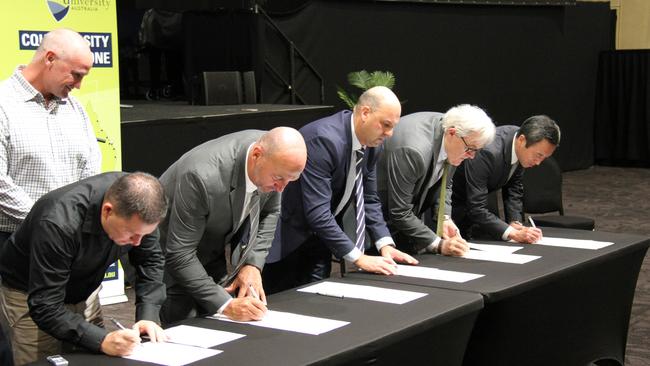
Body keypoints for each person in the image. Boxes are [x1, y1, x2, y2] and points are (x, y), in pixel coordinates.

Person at [0, 172, 168, 365]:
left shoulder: (141, 206)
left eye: (144, 235)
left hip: (85, 289)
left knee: (92, 359)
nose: (137, 242)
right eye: (132, 234)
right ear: (107, 211)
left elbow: (150, 261)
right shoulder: (58, 222)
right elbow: (45, 305)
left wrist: (148, 316)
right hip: (30, 293)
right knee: (42, 360)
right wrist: (101, 339)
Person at [262, 86, 418, 294]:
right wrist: (359, 258)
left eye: (393, 127)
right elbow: (317, 212)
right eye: (386, 125)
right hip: (287, 236)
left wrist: (384, 243)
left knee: (318, 303)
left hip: (321, 238)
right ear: (364, 113)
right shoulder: (324, 140)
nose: (389, 134)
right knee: (280, 305)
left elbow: (369, 198)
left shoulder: (372, 144)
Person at [159, 127, 307, 325]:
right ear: (256, 155)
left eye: (291, 180)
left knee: (222, 326)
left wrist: (253, 264)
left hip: (210, 245)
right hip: (164, 256)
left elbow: (270, 211)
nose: (282, 188)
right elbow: (179, 253)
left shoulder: (274, 159)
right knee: (186, 329)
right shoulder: (201, 175)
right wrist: (225, 305)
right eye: (279, 179)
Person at [0, 28, 101, 244]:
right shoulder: (3, 104)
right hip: (12, 241)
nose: (79, 85)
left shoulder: (76, 110)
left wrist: (71, 225)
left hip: (68, 240)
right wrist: (50, 223)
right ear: (50, 59)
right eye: (76, 75)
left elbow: (91, 174)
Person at [377, 106, 496, 257]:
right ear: (452, 133)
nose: (471, 156)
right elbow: (399, 212)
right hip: (378, 214)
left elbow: (445, 180)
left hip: (403, 213)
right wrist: (439, 245)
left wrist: (444, 218)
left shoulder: (453, 134)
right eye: (470, 149)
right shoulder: (414, 150)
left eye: (476, 150)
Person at [452, 115, 561, 243]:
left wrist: (515, 222)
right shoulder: (488, 152)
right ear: (521, 140)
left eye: (544, 158)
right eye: (538, 155)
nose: (538, 163)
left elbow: (514, 188)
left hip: (474, 209)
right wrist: (512, 233)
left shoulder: (520, 142)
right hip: (452, 208)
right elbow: (476, 208)